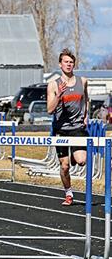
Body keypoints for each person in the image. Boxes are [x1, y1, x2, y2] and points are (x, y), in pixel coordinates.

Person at [47, 48, 89, 206]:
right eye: (66, 62)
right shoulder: (53, 84)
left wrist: (86, 115)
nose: (69, 64)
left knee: (82, 161)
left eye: (71, 62)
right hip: (61, 129)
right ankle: (69, 193)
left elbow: (86, 99)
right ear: (60, 64)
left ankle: (74, 155)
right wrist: (58, 95)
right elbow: (50, 110)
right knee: (64, 166)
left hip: (77, 127)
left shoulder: (83, 81)